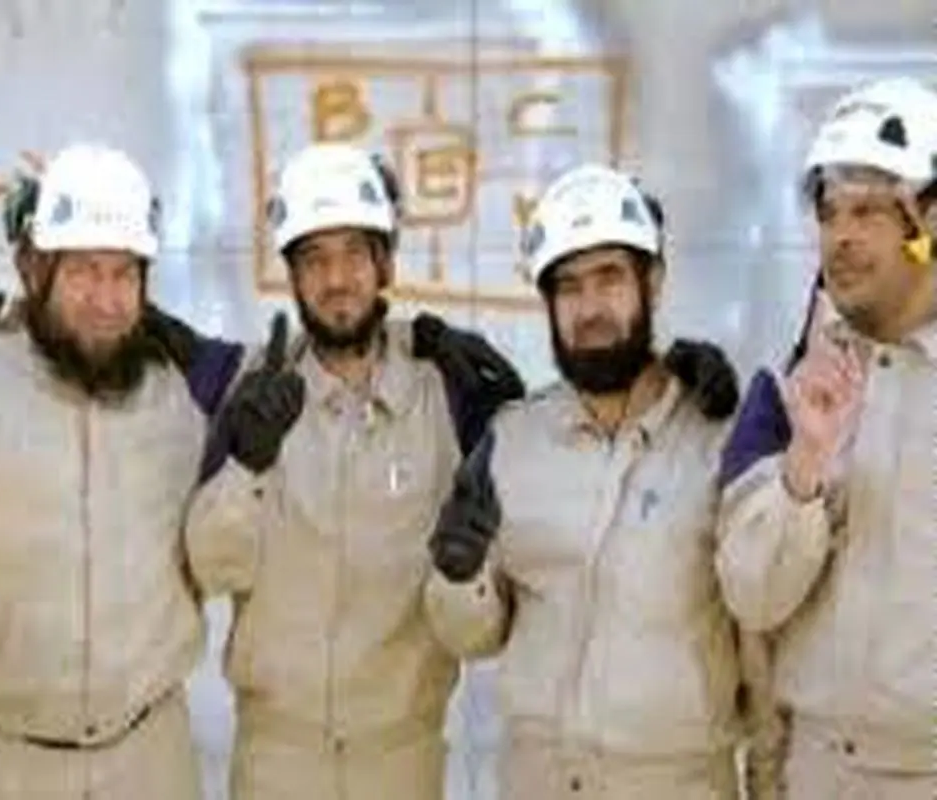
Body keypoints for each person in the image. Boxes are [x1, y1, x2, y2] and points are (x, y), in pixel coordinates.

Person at [183, 143, 739, 799]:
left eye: (355, 253)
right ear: (292, 275)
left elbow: (589, 410)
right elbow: (210, 569)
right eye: (314, 259)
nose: (336, 279)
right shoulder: (251, 390)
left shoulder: (450, 392)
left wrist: (674, 367)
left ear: (386, 262)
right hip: (278, 757)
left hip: (402, 758)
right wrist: (246, 463)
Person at [0, 142, 242, 799]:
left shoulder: (184, 386)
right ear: (35, 268)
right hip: (5, 763)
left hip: (151, 757)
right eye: (83, 270)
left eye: (124, 273)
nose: (106, 301)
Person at [423, 163, 750, 799]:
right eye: (568, 287)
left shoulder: (716, 438)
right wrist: (458, 578)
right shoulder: (512, 442)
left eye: (610, 278)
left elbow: (761, 638)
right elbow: (472, 637)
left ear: (653, 282)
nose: (591, 308)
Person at [716, 76, 936, 800]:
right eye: (829, 211)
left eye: (868, 210)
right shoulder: (789, 387)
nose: (840, 235)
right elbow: (751, 597)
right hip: (815, 771)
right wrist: (804, 466)